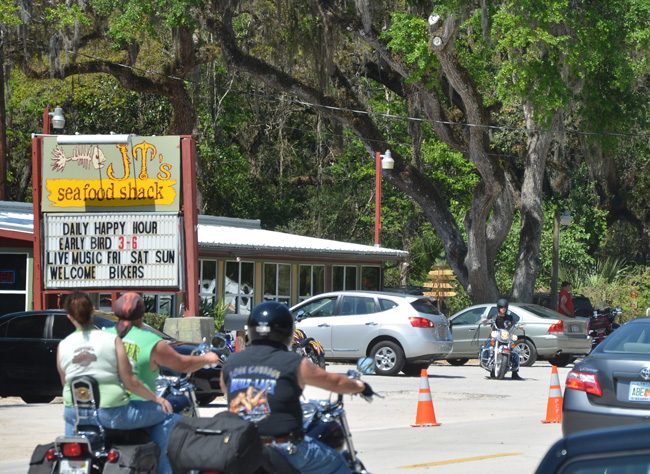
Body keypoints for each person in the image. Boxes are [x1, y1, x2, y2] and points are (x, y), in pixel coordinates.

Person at [220, 301, 373, 474]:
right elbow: (335, 382)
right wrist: (360, 386)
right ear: (287, 332)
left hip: (241, 449)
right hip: (285, 448)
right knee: (340, 464)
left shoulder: (231, 362)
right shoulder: (293, 362)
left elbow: (227, 392)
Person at [108, 292, 221, 474]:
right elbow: (182, 364)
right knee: (174, 420)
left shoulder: (104, 335)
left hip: (102, 409)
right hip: (135, 407)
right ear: (142, 314)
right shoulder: (150, 341)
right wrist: (207, 359)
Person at [57, 292, 173, 462]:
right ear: (93, 311)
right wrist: (157, 399)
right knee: (168, 414)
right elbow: (130, 381)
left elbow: (65, 382)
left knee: (70, 453)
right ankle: (164, 470)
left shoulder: (63, 345)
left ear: (69, 317)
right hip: (111, 413)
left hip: (73, 412)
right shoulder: (112, 339)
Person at [482, 298, 523, 380]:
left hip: (506, 336)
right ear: (498, 308)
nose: (503, 309)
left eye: (504, 307)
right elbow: (487, 321)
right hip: (496, 335)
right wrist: (486, 321)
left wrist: (519, 326)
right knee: (488, 346)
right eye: (501, 307)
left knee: (516, 350)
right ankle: (486, 362)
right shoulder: (494, 316)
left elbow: (514, 323)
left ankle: (515, 372)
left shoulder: (509, 317)